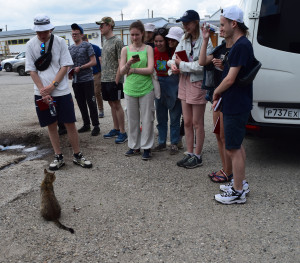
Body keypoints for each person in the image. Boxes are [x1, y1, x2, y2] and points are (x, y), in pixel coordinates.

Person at [25, 14, 92, 170]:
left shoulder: (60, 42)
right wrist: (43, 90)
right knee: (51, 124)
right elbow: (31, 70)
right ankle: (58, 156)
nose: (42, 35)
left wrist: (53, 86)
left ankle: (77, 155)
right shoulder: (30, 45)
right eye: (39, 32)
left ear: (51, 29)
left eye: (45, 31)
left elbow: (65, 65)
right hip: (41, 93)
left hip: (61, 91)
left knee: (70, 123)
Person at [212, 6, 253, 204]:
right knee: (237, 145)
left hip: (235, 103)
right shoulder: (241, 44)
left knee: (233, 148)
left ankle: (237, 192)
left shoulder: (240, 46)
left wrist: (216, 91)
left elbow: (230, 79)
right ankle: (240, 182)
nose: (221, 28)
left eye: (222, 24)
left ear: (233, 24)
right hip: (237, 102)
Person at [169, 10, 213, 168]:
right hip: (184, 81)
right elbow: (173, 59)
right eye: (183, 23)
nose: (185, 25)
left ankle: (198, 155)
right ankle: (189, 153)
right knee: (186, 121)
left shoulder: (206, 40)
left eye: (187, 22)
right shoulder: (183, 38)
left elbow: (201, 66)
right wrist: (174, 66)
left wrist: (181, 65)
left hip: (197, 83)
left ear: (196, 22)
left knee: (197, 122)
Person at [199, 24, 233, 183]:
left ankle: (229, 171)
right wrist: (205, 39)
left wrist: (224, 66)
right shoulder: (219, 48)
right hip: (216, 97)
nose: (220, 28)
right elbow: (201, 61)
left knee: (226, 137)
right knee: (219, 135)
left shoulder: (237, 49)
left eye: (222, 24)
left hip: (228, 97)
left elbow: (236, 74)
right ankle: (225, 168)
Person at [119, 20, 154, 160]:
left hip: (146, 88)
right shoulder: (125, 50)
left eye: (137, 34)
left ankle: (146, 147)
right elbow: (122, 71)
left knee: (147, 119)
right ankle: (134, 146)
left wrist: (133, 69)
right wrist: (128, 63)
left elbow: (150, 69)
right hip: (130, 89)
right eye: (132, 35)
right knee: (132, 119)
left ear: (142, 34)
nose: (134, 37)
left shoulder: (148, 49)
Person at [152, 27, 184, 155]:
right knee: (161, 116)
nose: (158, 44)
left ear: (166, 41)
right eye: (156, 41)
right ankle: (161, 142)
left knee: (175, 116)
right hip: (159, 85)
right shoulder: (153, 51)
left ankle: (174, 143)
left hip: (173, 85)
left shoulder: (174, 52)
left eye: (161, 41)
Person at [96, 17, 128, 144]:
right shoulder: (105, 41)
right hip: (105, 78)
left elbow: (121, 61)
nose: (100, 27)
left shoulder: (117, 41)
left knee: (117, 104)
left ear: (109, 26)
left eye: (102, 25)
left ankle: (123, 132)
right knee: (111, 104)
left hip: (114, 79)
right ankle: (115, 128)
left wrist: (117, 79)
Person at [68, 23, 100, 136]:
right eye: (73, 34)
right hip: (76, 81)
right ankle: (86, 124)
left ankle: (96, 125)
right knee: (81, 103)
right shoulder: (70, 48)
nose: (74, 36)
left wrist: (80, 68)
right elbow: (69, 65)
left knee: (91, 102)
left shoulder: (87, 46)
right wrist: (69, 73)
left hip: (87, 79)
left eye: (76, 34)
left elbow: (94, 61)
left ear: (81, 35)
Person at [82, 35, 104, 118]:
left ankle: (101, 109)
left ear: (87, 40)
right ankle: (92, 111)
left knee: (96, 92)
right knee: (88, 94)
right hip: (86, 75)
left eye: (84, 42)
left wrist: (103, 71)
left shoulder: (96, 48)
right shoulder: (81, 50)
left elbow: (100, 59)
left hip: (96, 73)